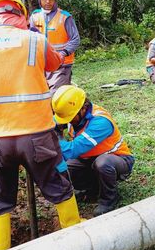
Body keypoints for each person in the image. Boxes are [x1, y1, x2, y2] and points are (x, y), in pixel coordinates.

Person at [0, 0, 82, 250]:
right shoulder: (35, 41)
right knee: (56, 181)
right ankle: (74, 233)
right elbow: (54, 63)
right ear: (22, 15)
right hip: (36, 133)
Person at [51, 85, 134, 216]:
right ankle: (93, 188)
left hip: (116, 159)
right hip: (88, 159)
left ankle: (109, 199)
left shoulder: (100, 122)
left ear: (83, 109)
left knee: (102, 163)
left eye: (69, 118)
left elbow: (71, 151)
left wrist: (54, 139)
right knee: (67, 168)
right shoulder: (72, 112)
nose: (67, 122)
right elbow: (53, 122)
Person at [29, 0, 80, 93]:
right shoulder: (34, 17)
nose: (48, 1)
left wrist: (63, 53)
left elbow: (75, 39)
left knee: (56, 97)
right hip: (41, 66)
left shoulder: (65, 17)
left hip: (61, 66)